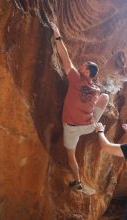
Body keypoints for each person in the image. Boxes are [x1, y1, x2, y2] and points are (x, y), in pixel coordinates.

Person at [51, 22, 109, 190]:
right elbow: (69, 61)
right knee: (105, 96)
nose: (80, 65)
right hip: (89, 126)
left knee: (71, 155)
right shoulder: (96, 89)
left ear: (86, 72)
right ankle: (96, 123)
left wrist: (57, 33)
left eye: (83, 66)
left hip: (72, 127)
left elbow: (65, 58)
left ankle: (77, 182)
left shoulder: (76, 78)